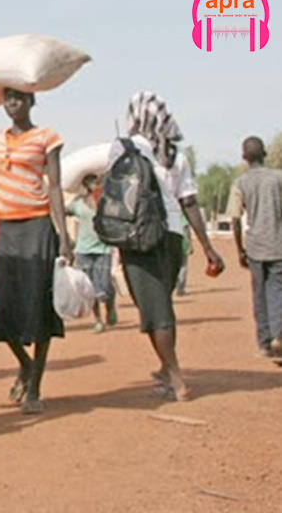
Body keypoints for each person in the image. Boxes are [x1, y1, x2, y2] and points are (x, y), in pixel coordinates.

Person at [111, 91, 225, 402]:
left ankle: (176, 380)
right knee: (162, 305)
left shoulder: (125, 147)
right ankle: (165, 369)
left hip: (140, 237)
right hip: (173, 237)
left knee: (154, 310)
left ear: (135, 116)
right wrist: (208, 248)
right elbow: (189, 202)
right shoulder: (177, 155)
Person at [0, 89, 73, 415]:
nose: (13, 103)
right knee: (4, 307)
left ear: (31, 102)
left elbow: (54, 186)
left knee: (39, 306)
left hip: (38, 227)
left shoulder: (46, 137)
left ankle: (35, 387)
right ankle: (26, 364)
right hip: (7, 230)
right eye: (8, 99)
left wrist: (64, 236)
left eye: (19, 98)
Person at [227, 136, 282, 359]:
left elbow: (234, 219)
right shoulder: (278, 178)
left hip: (255, 248)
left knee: (259, 295)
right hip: (278, 245)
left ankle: (265, 343)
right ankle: (279, 334)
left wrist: (240, 250)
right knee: (277, 291)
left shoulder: (240, 183)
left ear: (244, 157)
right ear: (265, 154)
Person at [67, 173, 117, 333]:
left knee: (105, 286)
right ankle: (98, 320)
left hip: (103, 248)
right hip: (83, 249)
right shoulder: (78, 204)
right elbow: (63, 211)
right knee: (90, 288)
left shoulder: (105, 202)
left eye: (94, 182)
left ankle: (110, 305)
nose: (92, 185)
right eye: (89, 183)